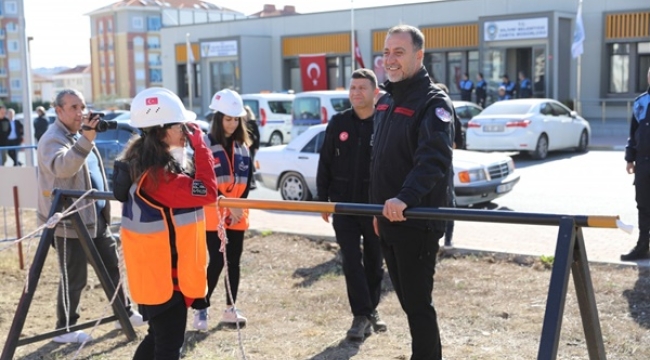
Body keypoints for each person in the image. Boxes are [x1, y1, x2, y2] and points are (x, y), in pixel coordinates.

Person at [112, 87, 218, 359]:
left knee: (157, 339)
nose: (186, 130)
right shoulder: (161, 179)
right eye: (180, 125)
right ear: (161, 131)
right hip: (166, 283)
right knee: (169, 348)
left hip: (154, 278)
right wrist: (202, 147)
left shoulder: (144, 167)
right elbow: (207, 191)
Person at [370, 25, 453, 359]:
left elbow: (434, 161)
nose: (390, 59)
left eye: (399, 52)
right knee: (409, 303)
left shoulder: (433, 102)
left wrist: (404, 197)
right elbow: (379, 160)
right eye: (387, 52)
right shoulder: (387, 100)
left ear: (419, 56)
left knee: (418, 305)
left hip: (416, 220)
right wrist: (378, 210)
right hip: (388, 218)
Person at [36, 89, 145, 344]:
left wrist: (85, 137)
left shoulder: (80, 135)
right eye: (73, 107)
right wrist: (86, 138)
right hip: (67, 222)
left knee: (112, 268)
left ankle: (123, 314)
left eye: (82, 106)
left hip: (94, 217)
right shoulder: (52, 139)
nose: (80, 112)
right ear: (58, 110)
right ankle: (64, 328)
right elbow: (64, 168)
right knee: (74, 277)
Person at [316, 68, 387, 341]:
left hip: (374, 207)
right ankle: (360, 316)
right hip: (344, 206)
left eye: (362, 88)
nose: (356, 93)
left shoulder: (384, 123)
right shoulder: (338, 122)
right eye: (353, 88)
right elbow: (325, 162)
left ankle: (372, 311)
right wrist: (323, 200)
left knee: (374, 260)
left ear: (375, 93)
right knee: (350, 260)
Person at [192, 89, 253, 330]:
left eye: (236, 119)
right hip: (212, 213)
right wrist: (226, 203)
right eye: (228, 118)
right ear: (218, 118)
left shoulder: (242, 146)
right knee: (217, 260)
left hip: (238, 212)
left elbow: (247, 180)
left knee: (234, 262)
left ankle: (230, 308)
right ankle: (201, 307)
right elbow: (201, 182)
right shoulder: (204, 144)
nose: (232, 123)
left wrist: (238, 205)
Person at [622, 66, 650, 261]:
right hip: (643, 162)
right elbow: (633, 132)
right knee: (643, 205)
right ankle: (642, 246)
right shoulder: (640, 102)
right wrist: (630, 157)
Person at [435, 83, 464, 247]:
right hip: (437, 163)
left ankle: (447, 239)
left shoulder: (451, 115)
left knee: (447, 200)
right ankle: (444, 239)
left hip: (444, 165)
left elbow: (458, 141)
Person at [244, 105, 260, 190]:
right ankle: (250, 181)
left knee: (251, 163)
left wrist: (256, 146)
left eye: (246, 112)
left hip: (251, 146)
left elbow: (257, 135)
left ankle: (252, 181)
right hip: (244, 146)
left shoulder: (252, 122)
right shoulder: (241, 122)